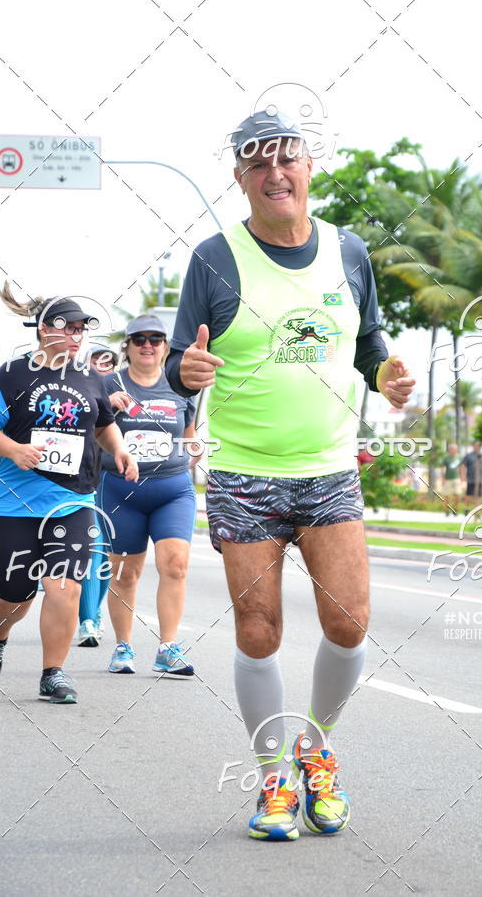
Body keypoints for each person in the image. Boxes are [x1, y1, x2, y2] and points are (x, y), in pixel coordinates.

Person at [165, 110, 415, 841]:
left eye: (286, 158)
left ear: (308, 167)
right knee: (259, 630)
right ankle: (273, 777)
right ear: (240, 178)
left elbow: (369, 344)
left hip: (329, 469)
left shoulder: (349, 251)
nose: (275, 173)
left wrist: (387, 377)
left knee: (349, 622)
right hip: (244, 474)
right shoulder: (215, 257)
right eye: (258, 163)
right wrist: (186, 371)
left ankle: (315, 749)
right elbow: (180, 362)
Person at [0, 286, 137, 703]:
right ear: (43, 329)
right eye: (68, 328)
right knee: (16, 590)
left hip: (73, 501)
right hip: (14, 503)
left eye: (81, 329)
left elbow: (103, 424)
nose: (76, 336)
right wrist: (13, 450)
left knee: (65, 586)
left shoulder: (90, 377)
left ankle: (53, 673)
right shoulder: (11, 374)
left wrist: (120, 449)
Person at [98, 315, 198, 677]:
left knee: (176, 564)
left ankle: (167, 648)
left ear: (165, 347)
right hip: (121, 491)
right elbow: (89, 430)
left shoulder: (181, 385)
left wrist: (193, 452)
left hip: (172, 489)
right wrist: (107, 405)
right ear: (127, 346)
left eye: (155, 339)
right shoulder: (109, 383)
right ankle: (123, 646)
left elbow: (189, 435)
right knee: (125, 574)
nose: (147, 345)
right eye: (139, 339)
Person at [76, 344, 119, 647]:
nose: (102, 367)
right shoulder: (77, 388)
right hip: (85, 481)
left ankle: (96, 609)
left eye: (108, 363)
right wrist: (106, 406)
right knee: (92, 548)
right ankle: (87, 620)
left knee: (109, 553)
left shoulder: (125, 391)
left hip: (117, 483)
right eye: (96, 361)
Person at [461, 441, 482, 513]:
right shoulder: (468, 456)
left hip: (480, 479)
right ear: (473, 446)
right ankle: (466, 508)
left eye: (478, 446)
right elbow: (463, 466)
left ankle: (477, 511)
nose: (477, 447)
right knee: (468, 495)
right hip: (471, 479)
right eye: (475, 445)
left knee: (479, 496)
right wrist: (463, 476)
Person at [441, 443, 461, 515]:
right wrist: (443, 479)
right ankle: (447, 510)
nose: (454, 451)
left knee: (457, 495)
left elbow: (462, 467)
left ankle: (455, 509)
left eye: (456, 449)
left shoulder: (459, 457)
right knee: (447, 496)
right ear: (450, 450)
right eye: (453, 449)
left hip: (457, 478)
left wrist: (463, 477)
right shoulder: (446, 458)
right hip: (448, 479)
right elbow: (442, 468)